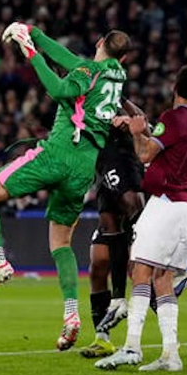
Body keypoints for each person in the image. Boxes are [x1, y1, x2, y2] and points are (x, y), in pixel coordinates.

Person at [0, 22, 129, 352]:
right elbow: (70, 59)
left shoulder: (88, 72)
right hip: (85, 167)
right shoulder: (114, 76)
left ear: (99, 42)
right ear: (123, 58)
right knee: (60, 242)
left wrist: (31, 51)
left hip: (58, 153)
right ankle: (71, 315)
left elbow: (58, 89)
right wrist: (36, 33)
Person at [96, 65, 187, 371]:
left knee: (140, 271)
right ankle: (171, 354)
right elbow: (166, 146)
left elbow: (145, 154)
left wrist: (136, 132)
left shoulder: (172, 118)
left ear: (176, 87)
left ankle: (132, 347)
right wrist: (144, 129)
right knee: (163, 279)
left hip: (166, 204)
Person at [80, 103, 145, 359]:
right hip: (103, 174)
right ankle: (102, 338)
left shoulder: (114, 96)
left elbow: (143, 122)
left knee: (140, 270)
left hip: (123, 164)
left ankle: (141, 340)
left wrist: (126, 118)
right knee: (98, 263)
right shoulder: (81, 102)